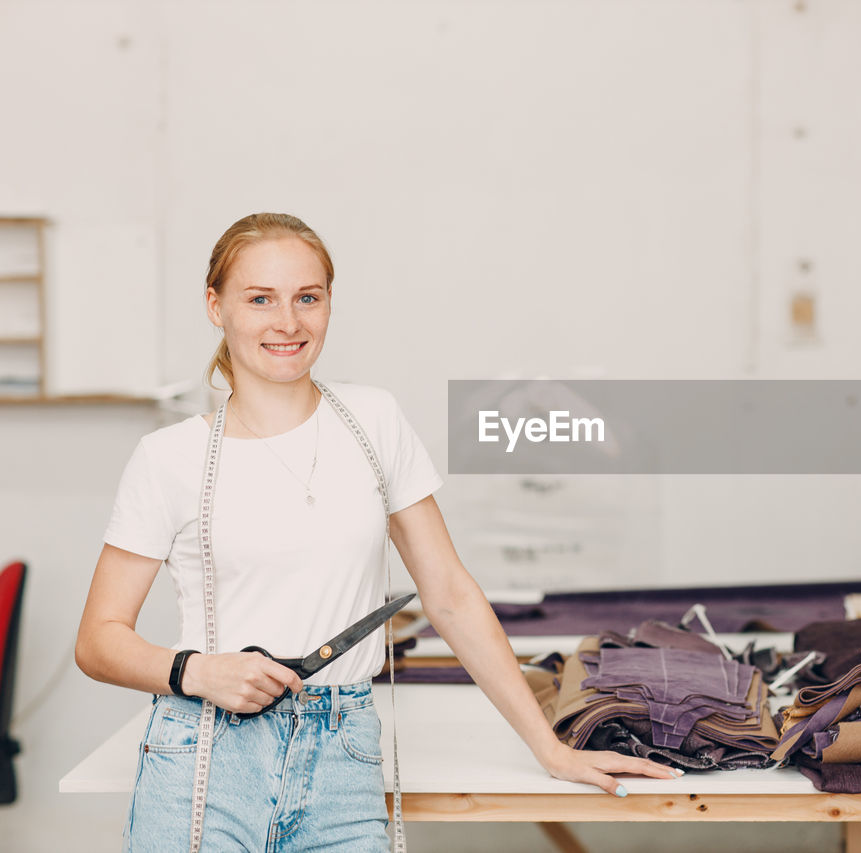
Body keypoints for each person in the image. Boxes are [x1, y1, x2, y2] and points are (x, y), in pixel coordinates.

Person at [75, 213, 679, 851]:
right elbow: (97, 641)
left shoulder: (374, 421)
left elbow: (449, 594)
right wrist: (196, 672)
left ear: (329, 304)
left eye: (308, 297)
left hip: (341, 754)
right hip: (203, 750)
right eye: (260, 299)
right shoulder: (168, 457)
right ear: (215, 306)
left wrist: (549, 748)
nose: (287, 322)